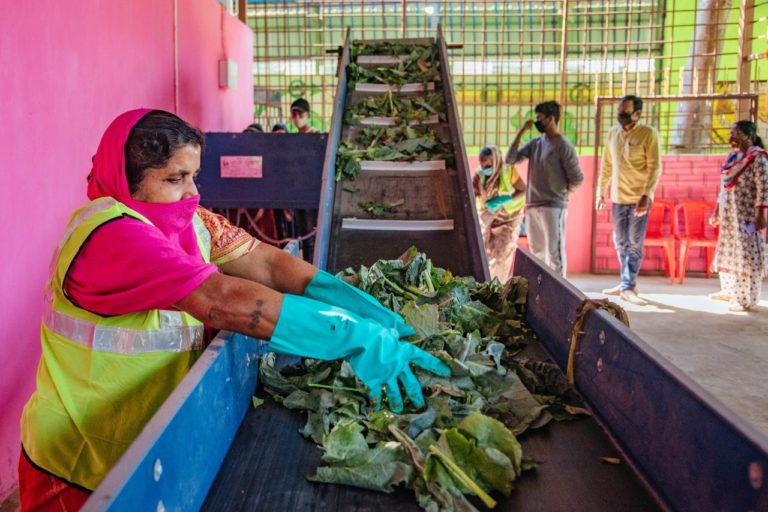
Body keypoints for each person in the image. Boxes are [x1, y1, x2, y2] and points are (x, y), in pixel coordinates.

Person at [18, 109, 449, 510]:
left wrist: (357, 305)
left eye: (194, 176)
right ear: (126, 180)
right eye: (175, 179)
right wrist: (352, 336)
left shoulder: (191, 222)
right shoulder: (108, 235)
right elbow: (221, 301)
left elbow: (267, 262)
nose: (193, 192)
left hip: (148, 443)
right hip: (80, 462)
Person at [596, 95, 662, 305]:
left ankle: (629, 285)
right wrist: (600, 192)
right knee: (620, 242)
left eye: (625, 112)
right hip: (618, 197)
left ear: (637, 114)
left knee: (634, 243)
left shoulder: (648, 134)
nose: (620, 115)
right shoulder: (613, 133)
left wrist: (646, 195)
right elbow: (606, 166)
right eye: (619, 112)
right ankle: (625, 281)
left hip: (638, 199)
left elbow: (654, 168)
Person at [506, 101, 583, 277]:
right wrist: (521, 131)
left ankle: (560, 288)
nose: (537, 122)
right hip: (533, 204)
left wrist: (561, 193)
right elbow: (510, 159)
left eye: (540, 118)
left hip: (553, 205)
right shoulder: (536, 144)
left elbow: (577, 178)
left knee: (555, 253)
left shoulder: (563, 145)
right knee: (537, 252)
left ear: (551, 119)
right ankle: (541, 287)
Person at [708, 120, 768, 312]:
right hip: (729, 213)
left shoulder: (758, 158)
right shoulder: (734, 157)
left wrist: (761, 213)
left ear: (749, 136)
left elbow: (764, 187)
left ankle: (744, 298)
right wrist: (717, 210)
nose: (731, 137)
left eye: (736, 133)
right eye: (731, 134)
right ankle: (729, 291)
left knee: (745, 254)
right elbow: (724, 186)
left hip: (747, 214)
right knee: (728, 249)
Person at [473, 145, 526, 281]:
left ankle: (500, 286)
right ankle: (488, 284)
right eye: (482, 164)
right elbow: (472, 193)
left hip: (508, 219)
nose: (484, 168)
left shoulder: (508, 171)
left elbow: (523, 190)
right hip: (489, 219)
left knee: (502, 255)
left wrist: (505, 199)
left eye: (488, 165)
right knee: (486, 254)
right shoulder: (480, 175)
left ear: (496, 161)